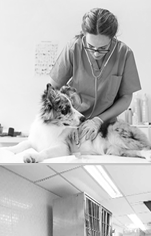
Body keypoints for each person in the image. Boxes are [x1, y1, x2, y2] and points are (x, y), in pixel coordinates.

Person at [49, 8, 141, 143]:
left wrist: (99, 120)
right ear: (83, 35)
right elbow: (53, 90)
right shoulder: (73, 48)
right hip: (73, 125)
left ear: (113, 38)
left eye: (103, 48)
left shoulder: (124, 54)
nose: (96, 53)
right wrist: (68, 121)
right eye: (90, 46)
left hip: (105, 126)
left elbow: (126, 97)